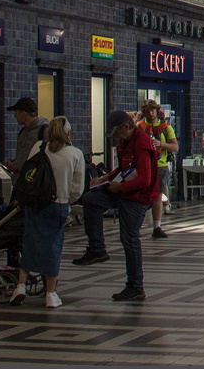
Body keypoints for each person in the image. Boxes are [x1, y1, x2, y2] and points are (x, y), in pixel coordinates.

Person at [72, 110, 159, 302]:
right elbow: (124, 168)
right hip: (123, 189)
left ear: (125, 127)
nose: (116, 137)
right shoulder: (125, 142)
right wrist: (104, 178)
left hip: (138, 197)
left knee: (129, 238)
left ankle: (135, 286)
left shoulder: (142, 143)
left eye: (117, 133)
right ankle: (97, 249)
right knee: (90, 200)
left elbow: (145, 179)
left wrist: (120, 186)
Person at [13, 116, 85, 309]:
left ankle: (20, 286)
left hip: (35, 204)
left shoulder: (38, 147)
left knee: (30, 242)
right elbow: (77, 190)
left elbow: (29, 175)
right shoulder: (75, 154)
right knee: (53, 247)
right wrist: (67, 200)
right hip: (58, 204)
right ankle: (50, 294)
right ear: (68, 133)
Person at [133, 99, 177, 238]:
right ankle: (136, 226)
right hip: (142, 165)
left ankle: (157, 226)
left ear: (157, 111)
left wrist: (161, 144)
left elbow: (175, 147)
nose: (151, 113)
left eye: (153, 110)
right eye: (148, 111)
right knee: (140, 195)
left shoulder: (165, 127)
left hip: (160, 165)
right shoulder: (139, 127)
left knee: (157, 195)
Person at [5, 97, 49, 174]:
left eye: (16, 113)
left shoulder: (44, 131)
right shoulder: (22, 133)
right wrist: (14, 166)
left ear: (24, 114)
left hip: (33, 181)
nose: (15, 116)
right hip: (19, 181)